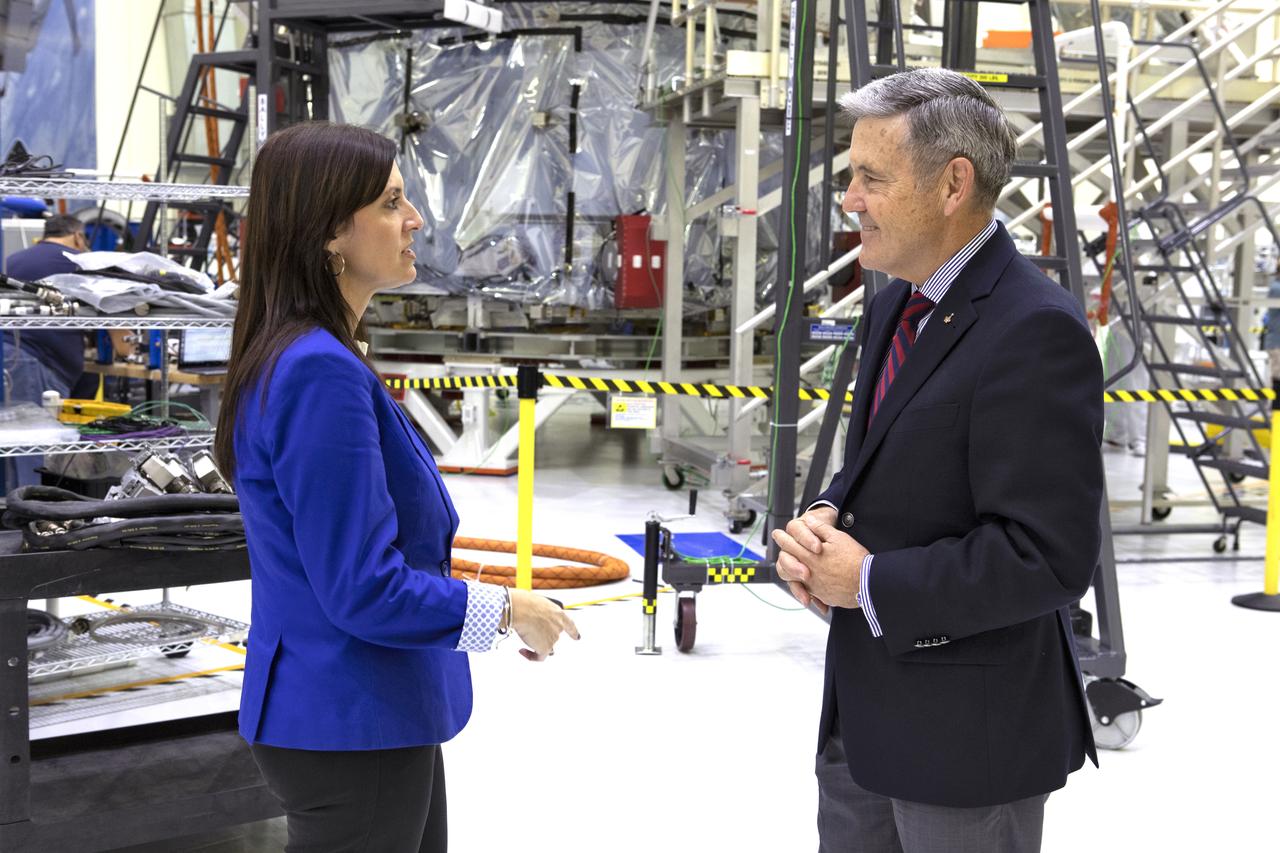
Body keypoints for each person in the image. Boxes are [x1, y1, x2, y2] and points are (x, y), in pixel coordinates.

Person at [214, 122, 579, 852]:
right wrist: (507, 611)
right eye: (390, 202)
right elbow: (364, 588)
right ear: (330, 236)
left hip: (361, 716)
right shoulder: (317, 372)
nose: (415, 220)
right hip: (351, 723)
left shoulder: (305, 354)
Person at [772, 68, 1103, 853]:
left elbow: (1048, 556)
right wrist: (824, 518)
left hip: (966, 750)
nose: (849, 200)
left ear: (954, 184)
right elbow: (885, 464)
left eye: (870, 178)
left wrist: (868, 581)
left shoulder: (1034, 329)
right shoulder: (897, 300)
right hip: (863, 722)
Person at [2, 214, 91, 484]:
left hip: (7, 353)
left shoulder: (15, 259)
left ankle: (11, 513)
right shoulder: (79, 261)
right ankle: (32, 517)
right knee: (33, 446)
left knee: (8, 445)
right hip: (34, 364)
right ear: (77, 236)